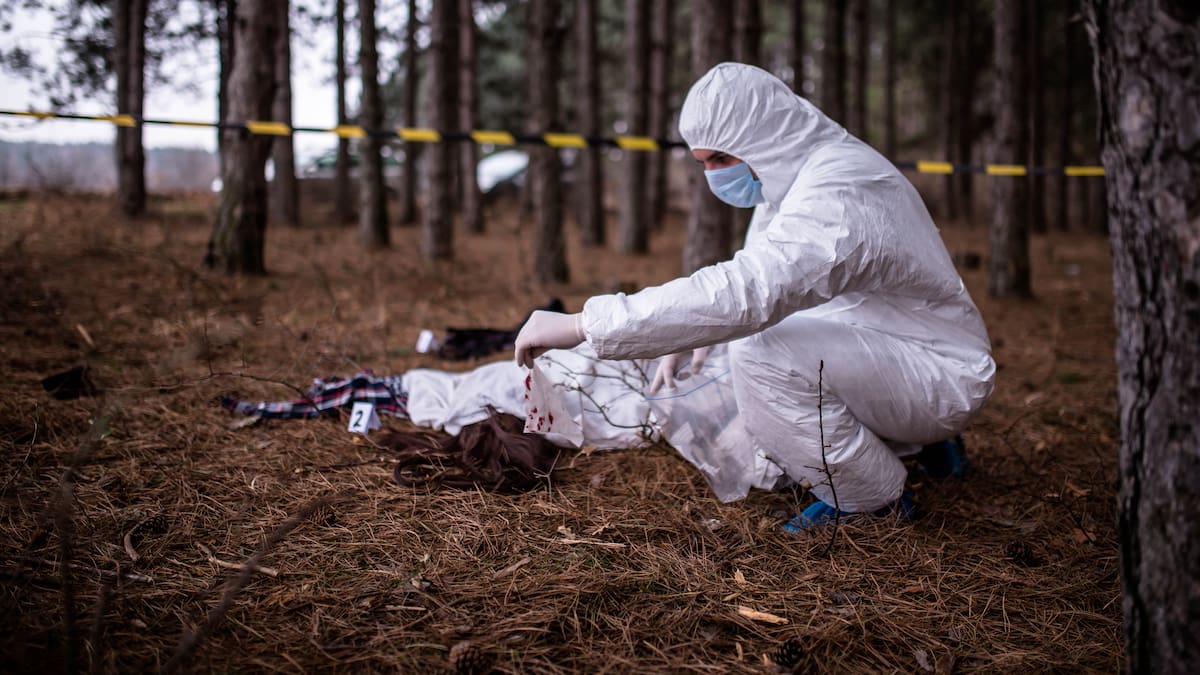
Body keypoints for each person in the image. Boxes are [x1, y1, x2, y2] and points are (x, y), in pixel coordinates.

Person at [514, 63, 995, 530]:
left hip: (936, 374)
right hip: (896, 351)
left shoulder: (841, 189)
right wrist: (696, 333)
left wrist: (583, 324)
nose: (714, 177)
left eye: (722, 159)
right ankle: (926, 449)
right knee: (744, 350)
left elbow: (751, 291)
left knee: (761, 353)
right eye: (704, 164)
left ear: (765, 136)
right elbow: (759, 282)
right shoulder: (793, 180)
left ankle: (870, 502)